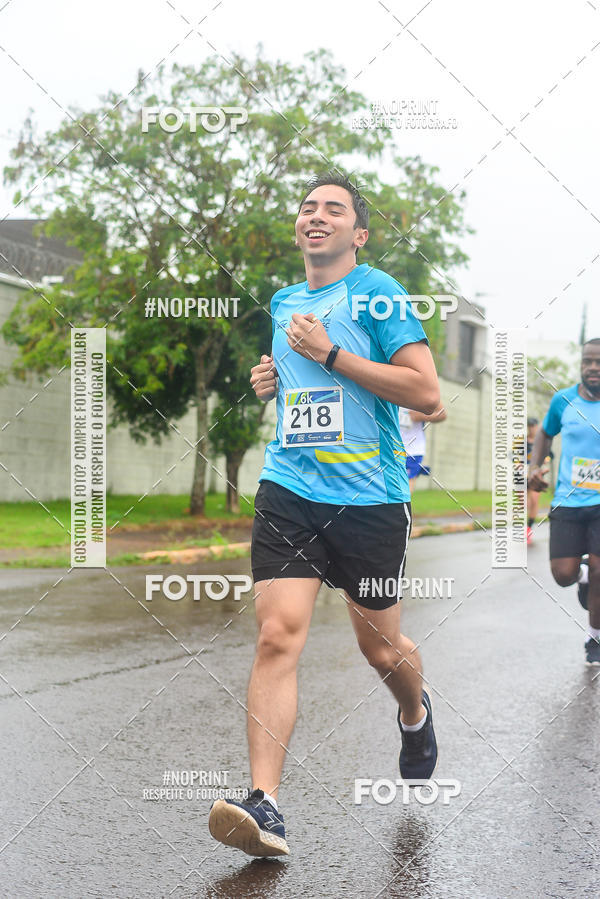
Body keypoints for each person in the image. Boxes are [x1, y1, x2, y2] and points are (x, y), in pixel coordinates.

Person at [208, 172, 441, 856]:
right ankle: (266, 806)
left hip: (370, 499)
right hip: (289, 489)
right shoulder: (282, 300)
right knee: (277, 635)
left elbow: (425, 390)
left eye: (333, 209)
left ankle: (414, 710)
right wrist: (271, 380)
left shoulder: (378, 292)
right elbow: (302, 387)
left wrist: (331, 354)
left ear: (357, 233)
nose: (317, 216)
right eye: (308, 207)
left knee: (381, 648)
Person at [528, 339, 600, 665]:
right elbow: (545, 432)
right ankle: (582, 574)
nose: (593, 367)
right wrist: (534, 466)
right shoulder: (564, 400)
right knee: (563, 575)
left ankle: (594, 637)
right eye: (588, 361)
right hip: (568, 501)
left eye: (598, 362)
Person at [398, 404, 447, 494]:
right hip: (388, 445)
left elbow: (442, 414)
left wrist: (421, 416)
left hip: (413, 449)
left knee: (404, 488)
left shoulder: (419, 390)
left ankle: (403, 507)